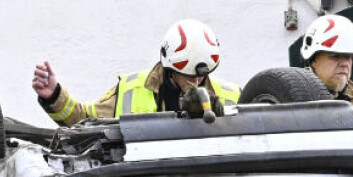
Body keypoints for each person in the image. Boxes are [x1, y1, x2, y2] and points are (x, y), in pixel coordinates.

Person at [33, 19, 241, 127]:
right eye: (187, 75)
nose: (196, 81)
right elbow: (84, 122)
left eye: (201, 75)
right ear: (170, 67)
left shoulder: (233, 96)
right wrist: (54, 96)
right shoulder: (130, 89)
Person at [301, 14, 353, 113]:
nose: (344, 64)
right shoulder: (290, 92)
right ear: (313, 60)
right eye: (335, 56)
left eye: (348, 57)